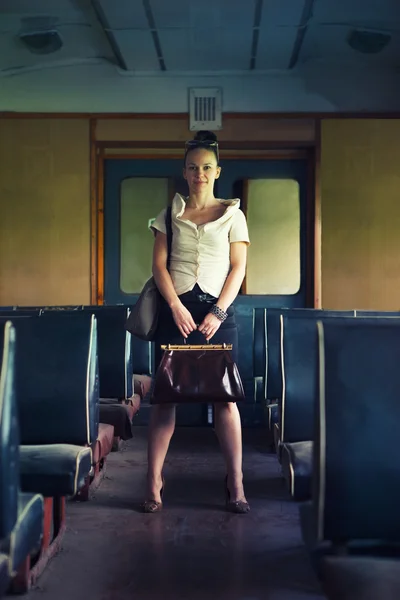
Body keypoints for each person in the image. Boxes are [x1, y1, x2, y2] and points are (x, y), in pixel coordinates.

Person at [143, 130, 250, 514]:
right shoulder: (167, 215)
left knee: (225, 399)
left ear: (217, 170)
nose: (199, 174)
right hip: (178, 312)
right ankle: (154, 481)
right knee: (166, 398)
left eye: (206, 167)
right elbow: (159, 266)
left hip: (218, 314)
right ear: (184, 172)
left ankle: (235, 482)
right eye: (193, 168)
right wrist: (174, 306)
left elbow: (238, 269)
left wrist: (219, 312)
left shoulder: (234, 216)